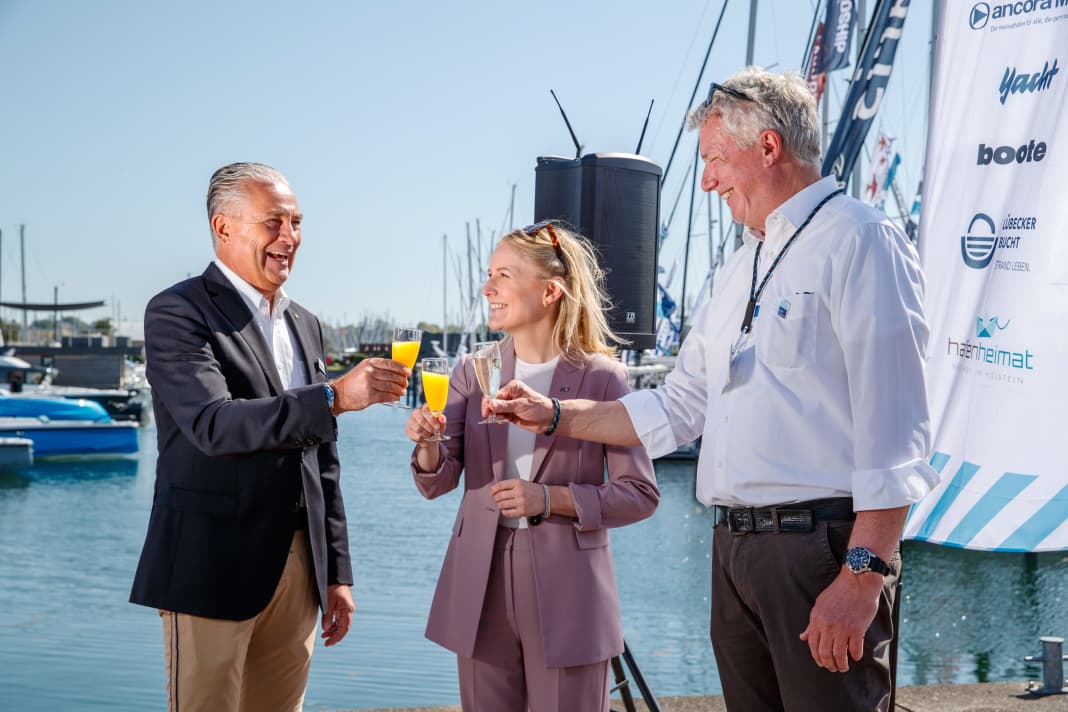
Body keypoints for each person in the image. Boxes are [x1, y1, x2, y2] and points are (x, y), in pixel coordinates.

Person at [488, 67, 940, 711]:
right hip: (735, 554)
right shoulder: (740, 267)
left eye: (715, 160)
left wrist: (862, 576)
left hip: (820, 553)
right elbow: (679, 406)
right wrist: (554, 414)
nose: (706, 180)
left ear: (768, 147)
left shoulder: (861, 241)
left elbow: (897, 432)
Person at [130, 162, 410, 712]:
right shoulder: (177, 311)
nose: (290, 238)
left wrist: (337, 571)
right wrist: (333, 396)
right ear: (224, 226)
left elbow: (323, 460)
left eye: (298, 223)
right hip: (211, 567)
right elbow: (214, 424)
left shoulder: (305, 322)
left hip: (301, 572)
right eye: (274, 222)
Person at [405, 221, 660, 712]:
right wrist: (427, 444)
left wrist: (551, 499)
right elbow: (438, 482)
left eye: (503, 274)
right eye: (488, 274)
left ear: (549, 291)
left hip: (570, 589)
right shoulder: (471, 370)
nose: (488, 288)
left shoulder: (602, 377)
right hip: (479, 579)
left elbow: (640, 494)